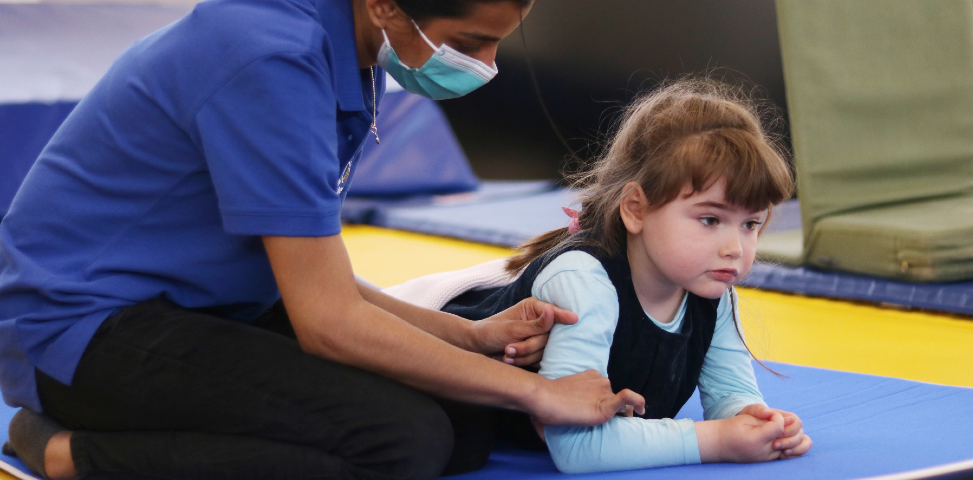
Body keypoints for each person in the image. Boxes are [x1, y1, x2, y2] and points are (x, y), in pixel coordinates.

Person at [0, 0, 645, 478]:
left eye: (496, 47)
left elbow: (319, 280)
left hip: (198, 306)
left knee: (466, 423)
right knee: (403, 442)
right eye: (470, 42)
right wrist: (536, 391)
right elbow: (328, 321)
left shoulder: (350, 46)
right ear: (387, 6)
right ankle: (68, 454)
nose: (485, 67)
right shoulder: (272, 56)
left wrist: (471, 338)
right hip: (73, 331)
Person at [429, 77, 813, 473]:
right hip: (431, 366)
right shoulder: (584, 281)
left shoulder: (709, 288)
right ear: (635, 209)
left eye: (750, 224)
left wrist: (757, 420)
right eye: (710, 219)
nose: (735, 248)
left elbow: (729, 394)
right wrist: (715, 440)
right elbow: (577, 447)